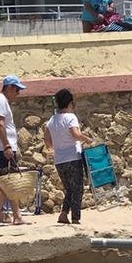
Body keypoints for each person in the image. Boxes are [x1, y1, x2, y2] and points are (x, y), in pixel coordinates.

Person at [44, 88, 99, 225]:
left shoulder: (51, 120)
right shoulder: (71, 117)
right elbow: (75, 134)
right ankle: (75, 218)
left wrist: (57, 147)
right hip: (73, 158)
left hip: (59, 160)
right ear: (70, 103)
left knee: (69, 188)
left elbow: (47, 141)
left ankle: (63, 214)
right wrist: (87, 139)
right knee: (77, 189)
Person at [0, 75, 27, 225]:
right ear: (9, 87)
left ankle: (17, 216)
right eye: (17, 90)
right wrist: (7, 146)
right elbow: (0, 125)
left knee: (10, 182)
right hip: (2, 149)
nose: (18, 93)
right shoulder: (0, 101)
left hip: (1, 147)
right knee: (4, 183)